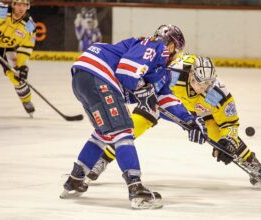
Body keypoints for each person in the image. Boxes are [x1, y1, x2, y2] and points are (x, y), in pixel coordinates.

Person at [61, 24, 207, 209]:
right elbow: (127, 71)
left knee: (104, 132)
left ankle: (75, 179)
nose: (175, 56)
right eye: (176, 51)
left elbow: (163, 99)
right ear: (171, 45)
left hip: (83, 77)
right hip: (100, 76)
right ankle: (136, 188)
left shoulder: (159, 69)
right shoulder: (156, 46)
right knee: (124, 131)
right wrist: (143, 91)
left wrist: (189, 121)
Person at [87, 54, 261, 189]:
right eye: (199, 82)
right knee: (130, 128)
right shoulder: (173, 74)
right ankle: (101, 160)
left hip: (200, 116)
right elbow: (149, 84)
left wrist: (227, 141)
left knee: (222, 138)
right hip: (165, 104)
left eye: (207, 84)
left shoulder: (216, 94)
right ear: (191, 75)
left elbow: (230, 123)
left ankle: (251, 162)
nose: (203, 88)